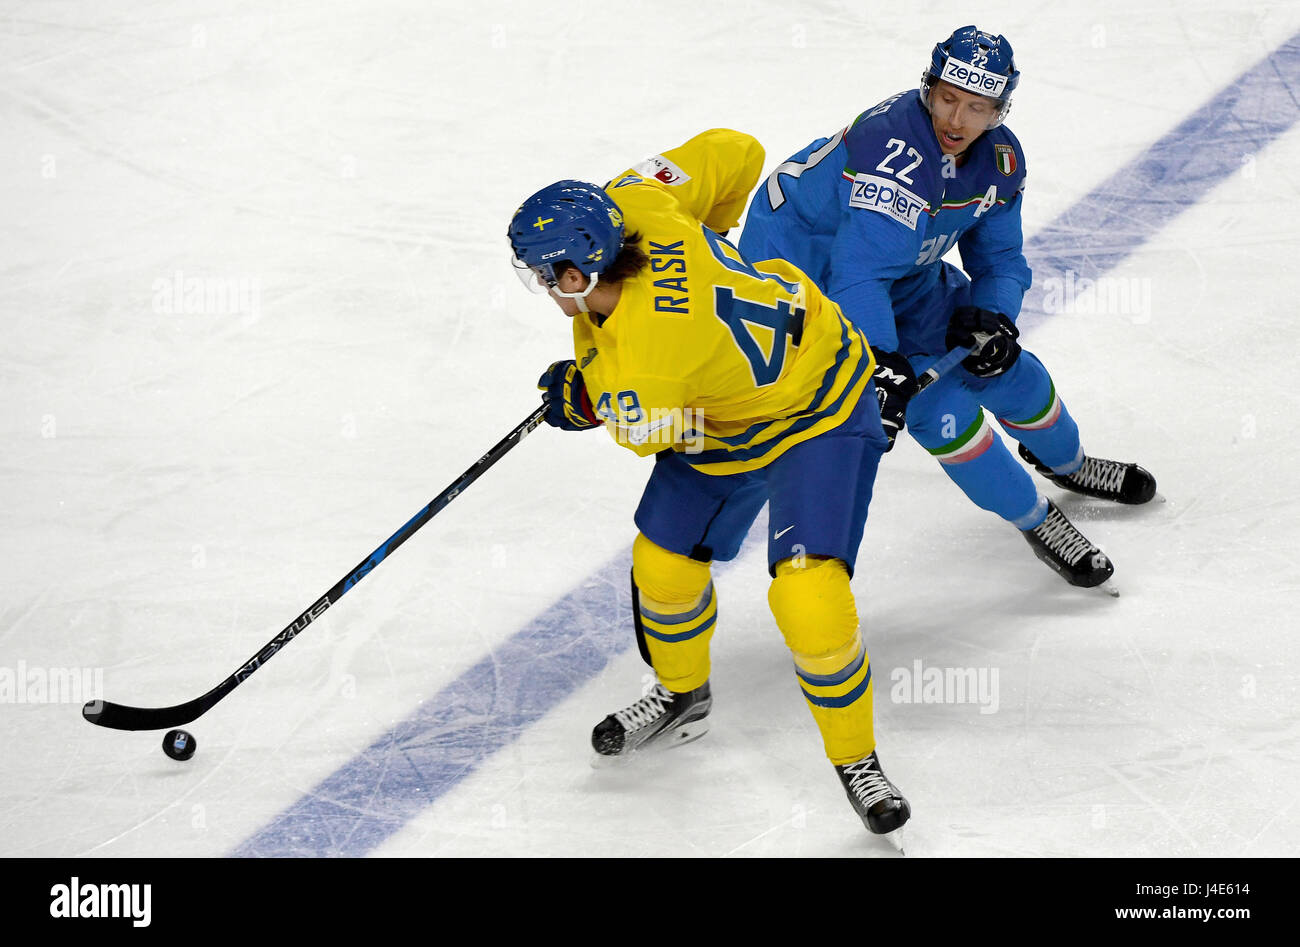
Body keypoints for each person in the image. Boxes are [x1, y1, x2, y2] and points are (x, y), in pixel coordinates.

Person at [507, 129, 909, 846]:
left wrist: (582, 395)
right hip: (720, 414)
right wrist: (712, 251)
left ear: (575, 275)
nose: (542, 285)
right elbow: (737, 150)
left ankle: (858, 759)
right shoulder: (638, 203)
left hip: (820, 406)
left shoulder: (644, 369)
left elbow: (642, 429)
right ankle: (682, 695)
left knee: (809, 597)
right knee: (662, 566)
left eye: (546, 273)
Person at [738, 26, 1156, 591]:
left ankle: (1071, 464)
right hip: (806, 293)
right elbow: (857, 276)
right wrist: (883, 362)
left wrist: (993, 314)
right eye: (948, 98)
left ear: (1000, 111)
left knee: (1011, 368)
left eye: (977, 107)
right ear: (927, 89)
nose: (956, 121)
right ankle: (1036, 520)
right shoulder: (895, 158)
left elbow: (1002, 259)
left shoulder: (1001, 160)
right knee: (938, 413)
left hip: (896, 273)